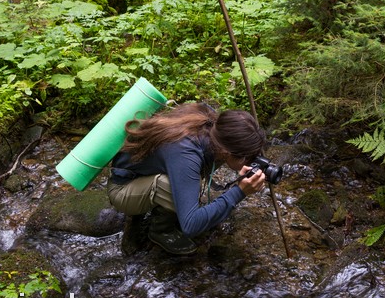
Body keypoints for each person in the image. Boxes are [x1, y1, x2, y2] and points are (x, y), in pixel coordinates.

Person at [107, 102, 268, 255]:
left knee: (185, 186)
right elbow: (191, 225)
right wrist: (239, 192)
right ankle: (161, 231)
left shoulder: (212, 128)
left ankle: (154, 210)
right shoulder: (186, 153)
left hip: (143, 173)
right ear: (226, 151)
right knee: (172, 186)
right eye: (248, 157)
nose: (251, 161)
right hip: (122, 188)